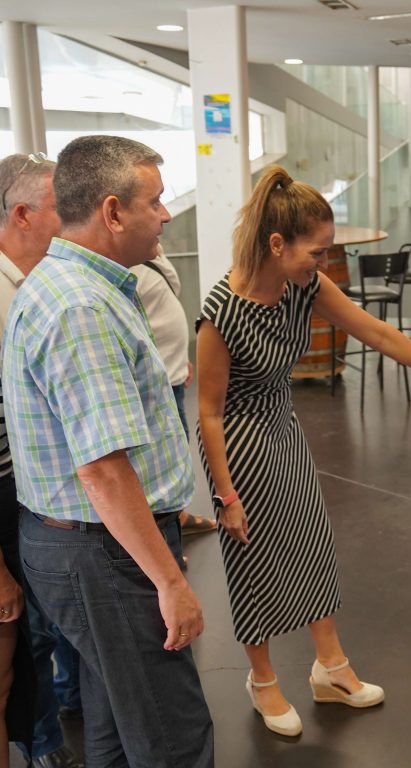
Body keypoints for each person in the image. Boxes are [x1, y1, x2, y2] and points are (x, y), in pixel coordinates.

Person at [196, 165, 411, 738]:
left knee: (311, 541)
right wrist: (225, 493)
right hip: (237, 440)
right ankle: (261, 679)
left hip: (281, 426)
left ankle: (330, 668)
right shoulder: (221, 311)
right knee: (253, 556)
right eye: (318, 250)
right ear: (277, 243)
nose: (324, 260)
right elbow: (208, 412)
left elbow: (376, 332)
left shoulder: (303, 284)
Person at [3, 135, 213, 768]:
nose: (169, 213)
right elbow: (102, 469)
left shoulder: (62, 284)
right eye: (156, 200)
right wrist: (170, 581)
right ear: (113, 211)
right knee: (172, 737)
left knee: (118, 728)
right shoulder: (82, 306)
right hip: (106, 552)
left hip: (88, 545)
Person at [0, 153, 83, 768]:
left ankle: (45, 741)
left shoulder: (35, 286)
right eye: (64, 206)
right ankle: (38, 748)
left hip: (27, 498)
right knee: (21, 643)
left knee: (39, 636)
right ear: (24, 215)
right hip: (6, 501)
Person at [131, 248, 215, 540]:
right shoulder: (120, 261)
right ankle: (161, 538)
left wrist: (180, 357)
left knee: (177, 448)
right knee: (159, 460)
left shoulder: (152, 250)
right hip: (156, 379)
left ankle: (176, 517)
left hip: (173, 369)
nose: (164, 215)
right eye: (154, 204)